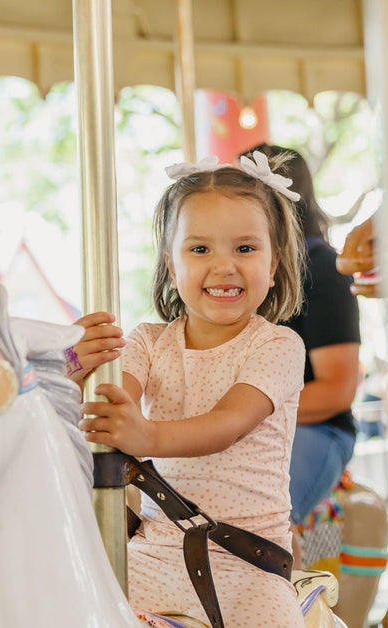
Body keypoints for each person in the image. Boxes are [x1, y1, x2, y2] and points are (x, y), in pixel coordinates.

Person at [68, 153, 307, 628]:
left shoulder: (277, 345)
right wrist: (75, 365)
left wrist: (147, 437)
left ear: (275, 262)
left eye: (245, 248)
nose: (223, 267)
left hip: (245, 563)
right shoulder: (147, 343)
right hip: (152, 555)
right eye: (200, 250)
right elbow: (107, 406)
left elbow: (227, 424)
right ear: (171, 266)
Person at [242, 144, 361, 530]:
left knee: (253, 514)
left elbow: (338, 389)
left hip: (314, 426)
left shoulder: (323, 271)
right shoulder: (238, 275)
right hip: (248, 423)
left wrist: (239, 412)